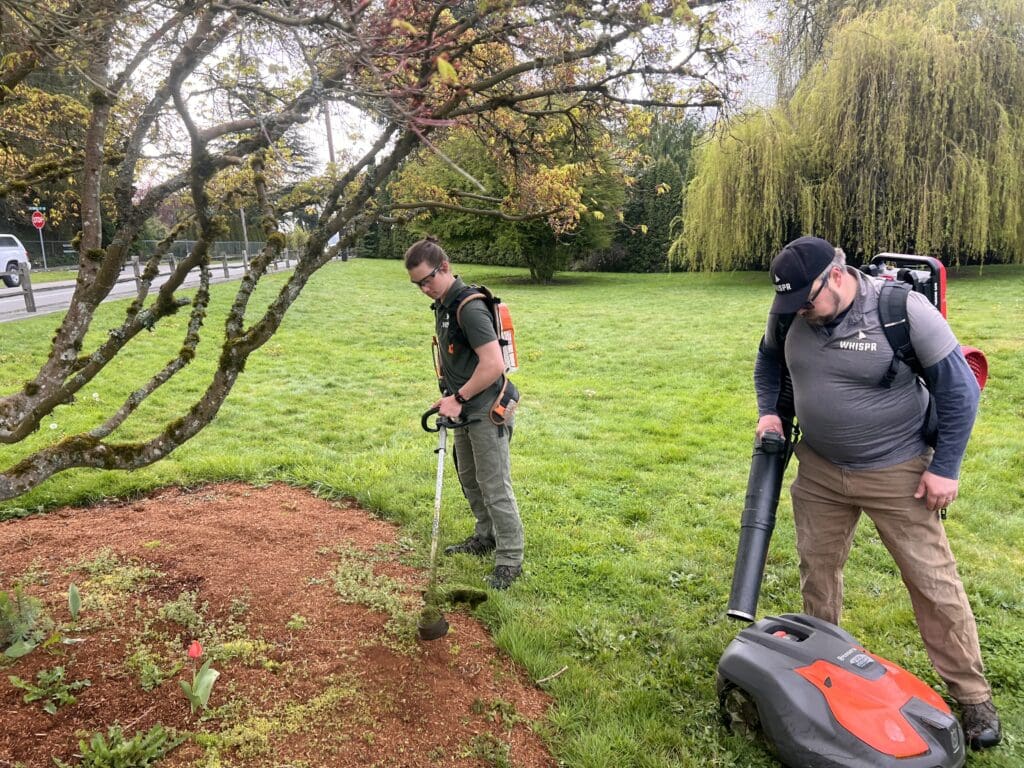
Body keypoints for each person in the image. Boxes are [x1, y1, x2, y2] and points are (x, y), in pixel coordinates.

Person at [753, 235, 1000, 750]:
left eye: (807, 299)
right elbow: (769, 362)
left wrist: (946, 468)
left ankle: (972, 696)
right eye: (791, 303)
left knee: (932, 581)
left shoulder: (899, 309)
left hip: (899, 471)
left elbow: (959, 389)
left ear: (836, 276)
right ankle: (823, 669)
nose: (800, 310)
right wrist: (770, 410)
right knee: (817, 570)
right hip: (820, 469)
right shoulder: (791, 312)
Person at [405, 236, 524, 590]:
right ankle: (485, 537)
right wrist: (449, 397)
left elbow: (492, 364)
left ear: (444, 267)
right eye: (417, 284)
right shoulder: (444, 303)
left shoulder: (468, 306)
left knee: (494, 485)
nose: (423, 288)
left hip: (487, 408)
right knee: (470, 479)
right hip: (463, 405)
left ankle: (510, 558)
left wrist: (459, 397)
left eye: (427, 279)